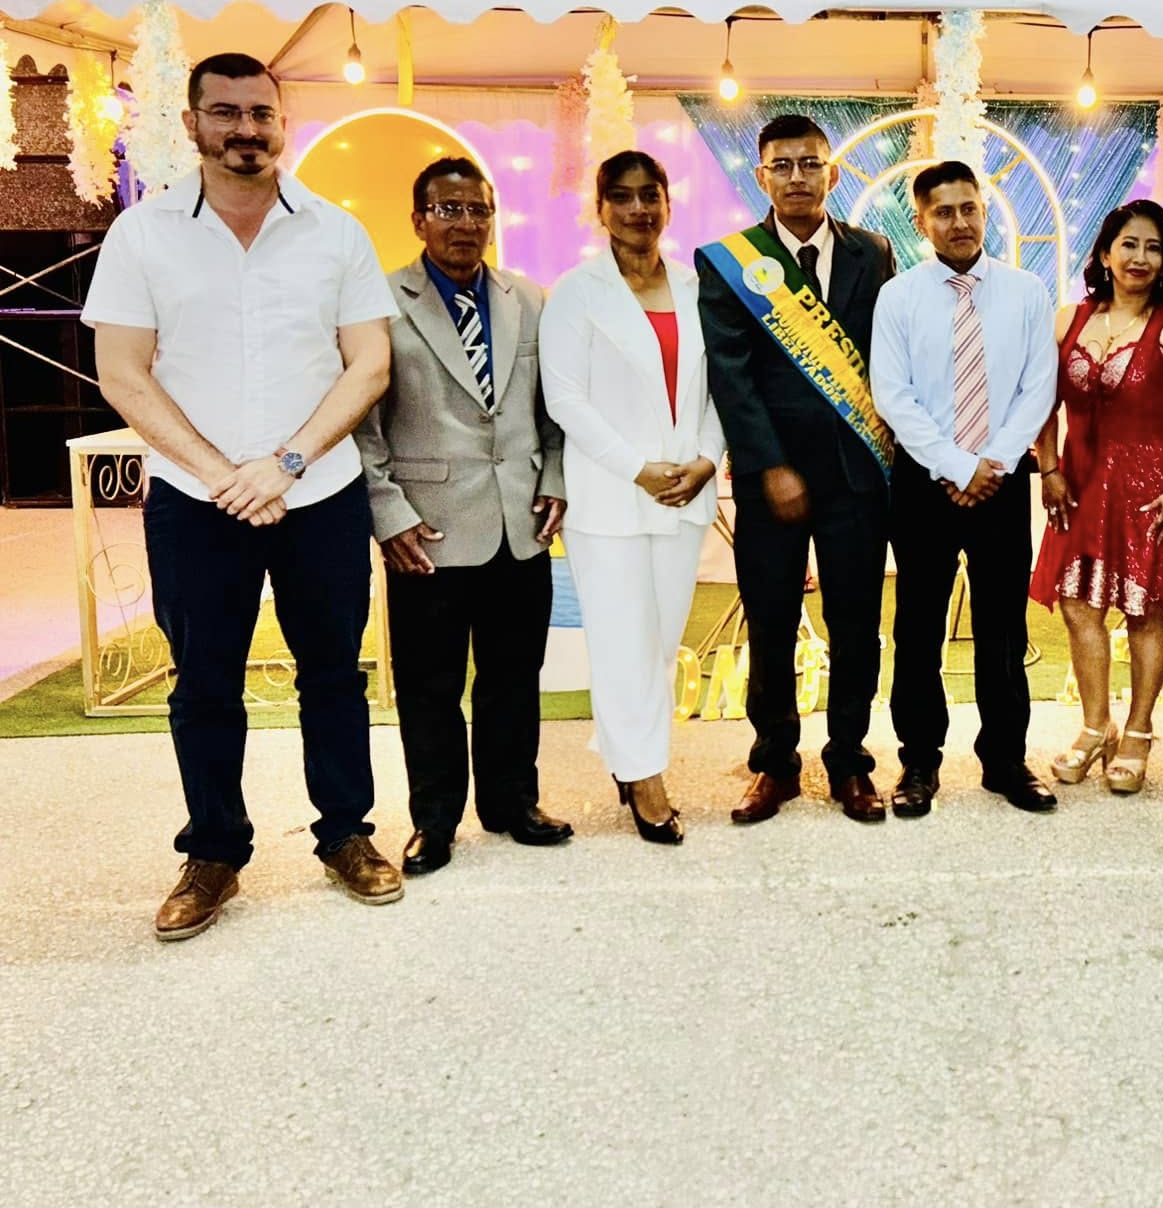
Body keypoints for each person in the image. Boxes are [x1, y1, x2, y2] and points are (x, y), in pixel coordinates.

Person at [83, 51, 401, 941]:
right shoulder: (143, 234)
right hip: (197, 498)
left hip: (319, 490)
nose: (245, 130)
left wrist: (286, 464)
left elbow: (369, 362)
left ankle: (346, 835)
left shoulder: (335, 231)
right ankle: (214, 852)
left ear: (281, 123)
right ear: (191, 124)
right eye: (224, 112)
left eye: (260, 113)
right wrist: (223, 473)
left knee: (333, 673)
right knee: (205, 682)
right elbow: (122, 371)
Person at [355, 157, 573, 875]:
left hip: (521, 522)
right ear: (418, 220)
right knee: (430, 685)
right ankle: (435, 819)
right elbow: (363, 423)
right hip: (427, 527)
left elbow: (554, 406)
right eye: (449, 210)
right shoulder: (380, 302)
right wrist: (387, 512)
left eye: (478, 210)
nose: (466, 224)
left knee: (514, 674)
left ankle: (513, 803)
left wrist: (556, 478)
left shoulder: (529, 299)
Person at [696, 114, 897, 824]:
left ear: (831, 173)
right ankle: (774, 763)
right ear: (762, 177)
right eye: (781, 166)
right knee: (773, 623)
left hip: (855, 475)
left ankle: (849, 759)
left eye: (810, 164)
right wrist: (771, 466)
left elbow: (886, 354)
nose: (797, 177)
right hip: (769, 478)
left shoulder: (874, 252)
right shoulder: (729, 262)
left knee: (856, 624)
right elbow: (731, 373)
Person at [540, 151, 724, 845]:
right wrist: (638, 469)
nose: (638, 209)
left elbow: (721, 387)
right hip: (611, 497)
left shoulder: (697, 286)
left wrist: (706, 460)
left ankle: (627, 752)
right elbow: (566, 400)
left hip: (686, 492)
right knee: (622, 642)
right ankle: (645, 779)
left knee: (660, 641)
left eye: (651, 195)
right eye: (622, 197)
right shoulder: (576, 292)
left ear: (669, 204)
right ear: (601, 208)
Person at [872, 160, 1059, 815]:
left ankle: (1005, 760)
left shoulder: (1026, 291)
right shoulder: (899, 297)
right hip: (924, 482)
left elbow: (1038, 386)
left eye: (969, 208)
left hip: (1000, 481)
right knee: (918, 627)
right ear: (921, 222)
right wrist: (955, 465)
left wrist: (993, 463)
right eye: (944, 212)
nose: (959, 222)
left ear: (984, 211)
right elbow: (892, 394)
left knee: (1002, 626)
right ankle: (918, 762)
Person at [1031, 201, 1163, 795]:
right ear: (1105, 254)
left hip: (1153, 492)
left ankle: (1137, 732)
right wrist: (1049, 468)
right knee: (1077, 606)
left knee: (1144, 609)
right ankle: (1096, 727)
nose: (1140, 257)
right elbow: (1040, 402)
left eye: (1154, 247)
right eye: (1129, 244)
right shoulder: (1068, 319)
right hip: (1080, 485)